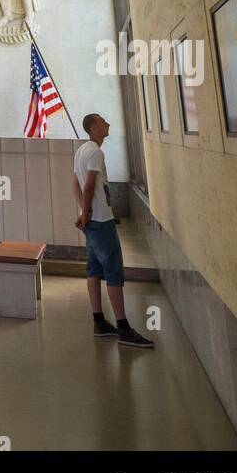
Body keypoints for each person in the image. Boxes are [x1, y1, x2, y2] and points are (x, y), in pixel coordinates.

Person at [73, 113, 153, 348]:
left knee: (94, 270)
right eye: (103, 121)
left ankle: (99, 322)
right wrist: (87, 211)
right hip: (101, 221)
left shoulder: (81, 151)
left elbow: (74, 185)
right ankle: (124, 328)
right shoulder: (96, 152)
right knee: (114, 272)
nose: (108, 123)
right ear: (94, 127)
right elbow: (87, 185)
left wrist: (83, 212)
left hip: (92, 220)